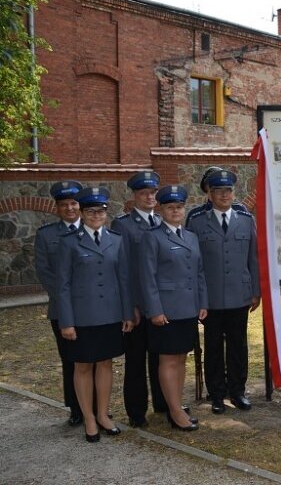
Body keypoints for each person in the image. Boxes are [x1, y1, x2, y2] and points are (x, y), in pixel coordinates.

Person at [56, 187, 134, 442]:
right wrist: (66, 322)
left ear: (105, 212)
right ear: (82, 213)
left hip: (110, 316)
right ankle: (88, 417)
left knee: (105, 363)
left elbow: (124, 280)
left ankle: (102, 414)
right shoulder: (69, 242)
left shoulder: (116, 240)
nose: (95, 215)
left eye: (100, 211)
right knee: (82, 366)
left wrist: (126, 314)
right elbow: (63, 285)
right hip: (82, 317)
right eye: (90, 211)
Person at [187, 169, 260, 414]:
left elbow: (253, 258)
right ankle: (217, 394)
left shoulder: (245, 218)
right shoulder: (196, 221)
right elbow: (192, 263)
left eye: (228, 190)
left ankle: (238, 391)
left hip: (240, 295)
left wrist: (256, 291)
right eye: (218, 191)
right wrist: (198, 298)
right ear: (209, 193)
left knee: (238, 345)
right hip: (212, 299)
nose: (224, 195)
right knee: (214, 346)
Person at [139, 185, 207, 431]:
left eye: (179, 207)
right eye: (170, 207)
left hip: (188, 309)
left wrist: (202, 303)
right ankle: (175, 411)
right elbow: (148, 277)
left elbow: (198, 273)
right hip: (165, 311)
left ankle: (176, 404)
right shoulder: (153, 237)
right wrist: (155, 310)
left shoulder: (190, 236)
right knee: (168, 360)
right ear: (162, 210)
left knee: (181, 359)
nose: (175, 211)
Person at [111, 171, 166, 428]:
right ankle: (136, 411)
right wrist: (129, 306)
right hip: (137, 306)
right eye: (144, 193)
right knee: (135, 360)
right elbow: (123, 270)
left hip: (160, 305)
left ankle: (163, 403)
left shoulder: (162, 221)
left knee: (160, 355)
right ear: (134, 196)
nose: (149, 197)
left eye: (153, 192)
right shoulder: (123, 225)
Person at [34, 180, 84, 427]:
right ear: (57, 207)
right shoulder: (47, 235)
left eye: (74, 203)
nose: (70, 208)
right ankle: (76, 408)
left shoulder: (94, 229)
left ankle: (97, 407)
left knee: (96, 359)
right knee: (71, 360)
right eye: (64, 205)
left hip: (94, 309)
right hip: (62, 310)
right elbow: (44, 272)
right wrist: (67, 298)